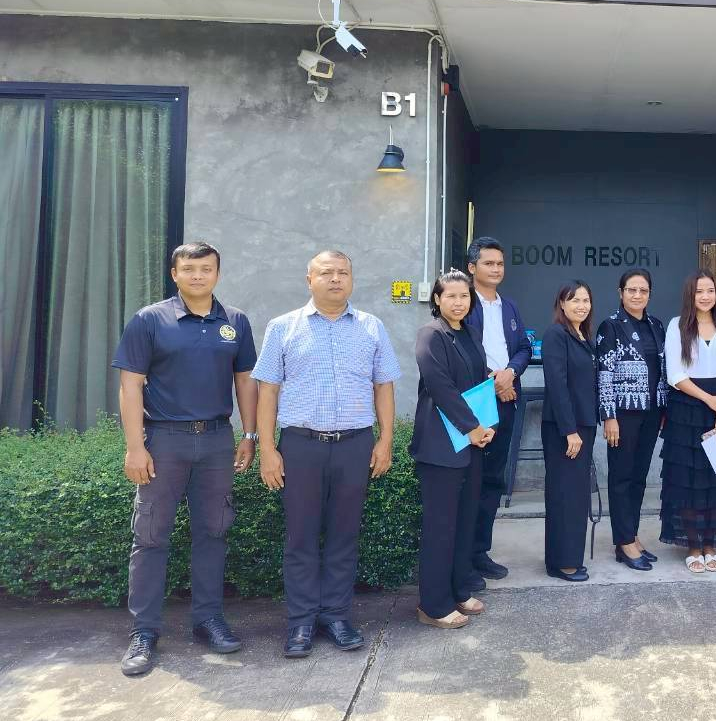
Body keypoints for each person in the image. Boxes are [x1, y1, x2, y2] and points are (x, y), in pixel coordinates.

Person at [112, 241, 258, 677]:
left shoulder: (235, 321)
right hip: (164, 441)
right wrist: (135, 446)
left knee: (214, 532)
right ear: (174, 274)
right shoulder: (150, 320)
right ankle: (144, 631)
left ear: (217, 273)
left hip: (216, 441)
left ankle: (208, 619)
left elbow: (246, 381)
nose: (198, 276)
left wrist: (249, 435)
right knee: (150, 536)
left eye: (206, 269)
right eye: (189, 269)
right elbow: (130, 385)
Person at [255, 250, 400, 657]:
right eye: (326, 273)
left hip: (355, 445)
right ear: (309, 279)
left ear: (351, 278)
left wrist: (385, 440)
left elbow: (384, 385)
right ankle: (301, 622)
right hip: (300, 446)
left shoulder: (371, 326)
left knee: (344, 534)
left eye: (342, 273)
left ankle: (336, 616)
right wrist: (267, 448)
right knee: (300, 536)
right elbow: (268, 390)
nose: (335, 279)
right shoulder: (283, 327)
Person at [410, 269, 492, 629]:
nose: (459, 302)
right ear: (437, 299)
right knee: (441, 527)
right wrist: (472, 427)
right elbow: (440, 386)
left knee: (464, 521)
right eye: (451, 296)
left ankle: (459, 589)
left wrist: (485, 422)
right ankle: (433, 604)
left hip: (471, 442)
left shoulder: (470, 332)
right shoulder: (431, 335)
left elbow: (477, 380)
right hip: (442, 444)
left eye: (464, 296)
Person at [661, 269, 716, 573]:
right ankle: (693, 545)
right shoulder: (677, 326)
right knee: (689, 481)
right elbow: (675, 374)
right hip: (688, 408)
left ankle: (711, 544)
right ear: (690, 294)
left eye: (710, 290)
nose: (705, 296)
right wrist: (709, 400)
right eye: (699, 291)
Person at [464, 237, 533, 590]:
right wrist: (495, 379)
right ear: (472, 267)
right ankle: (462, 558)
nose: (496, 269)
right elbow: (462, 349)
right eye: (488, 263)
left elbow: (523, 347)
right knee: (471, 480)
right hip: (477, 402)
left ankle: (480, 552)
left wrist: (511, 373)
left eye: (500, 264)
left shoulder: (510, 307)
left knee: (493, 479)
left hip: (507, 398)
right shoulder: (464, 303)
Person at [596, 268, 667, 572]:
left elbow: (663, 369)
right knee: (621, 476)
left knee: (639, 477)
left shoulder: (656, 325)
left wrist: (664, 408)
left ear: (649, 294)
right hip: (623, 413)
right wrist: (608, 416)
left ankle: (632, 535)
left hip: (652, 411)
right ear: (621, 293)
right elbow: (604, 374)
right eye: (631, 290)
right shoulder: (610, 326)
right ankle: (623, 540)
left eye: (643, 290)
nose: (637, 295)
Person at [541, 280, 599, 581]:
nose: (581, 305)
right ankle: (563, 562)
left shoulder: (583, 336)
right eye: (574, 300)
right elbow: (557, 384)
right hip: (565, 429)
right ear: (561, 304)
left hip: (583, 425)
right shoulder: (556, 335)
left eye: (585, 300)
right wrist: (569, 430)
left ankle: (566, 557)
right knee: (565, 494)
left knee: (576, 494)